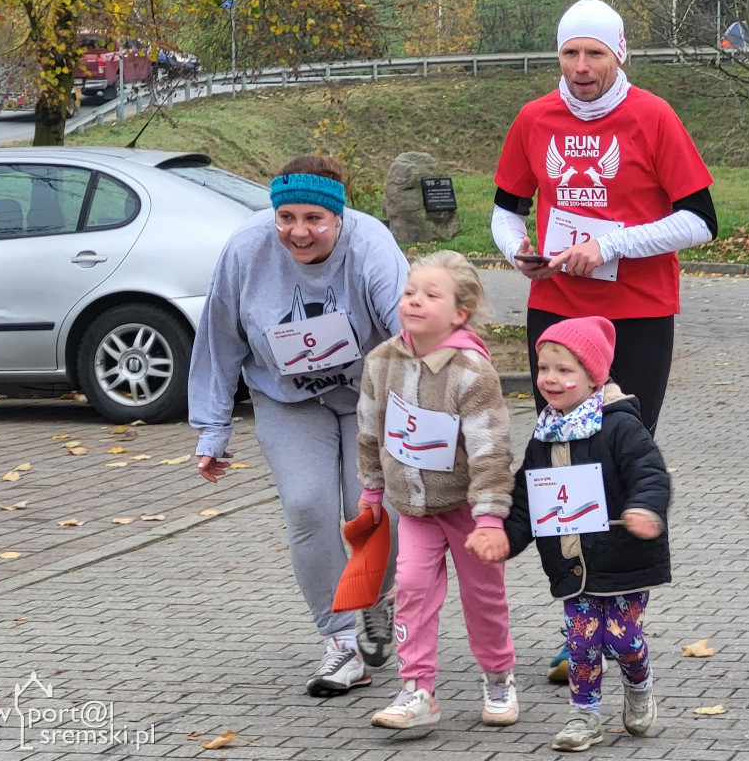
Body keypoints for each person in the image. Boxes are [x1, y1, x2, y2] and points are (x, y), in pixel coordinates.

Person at [489, 0, 713, 682]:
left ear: (620, 55)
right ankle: (577, 622)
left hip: (638, 315)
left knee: (616, 458)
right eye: (570, 53)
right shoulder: (535, 118)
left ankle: (625, 612)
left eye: (595, 53)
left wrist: (610, 244)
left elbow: (699, 221)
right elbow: (505, 209)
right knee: (564, 465)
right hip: (556, 308)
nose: (582, 67)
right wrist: (516, 251)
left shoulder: (652, 115)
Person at [188, 155, 409, 697]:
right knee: (307, 505)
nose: (299, 232)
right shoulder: (246, 250)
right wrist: (212, 430)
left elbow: (413, 330)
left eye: (314, 219)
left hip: (369, 398)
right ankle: (340, 641)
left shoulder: (372, 247)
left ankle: (378, 599)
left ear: (339, 217)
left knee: (373, 510)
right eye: (286, 217)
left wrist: (440, 412)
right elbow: (218, 339)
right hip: (286, 400)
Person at [468, 316, 671, 752]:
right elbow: (527, 499)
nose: (550, 379)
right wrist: (507, 537)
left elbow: (650, 473)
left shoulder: (620, 425)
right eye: (544, 368)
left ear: (594, 377)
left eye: (564, 370)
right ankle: (585, 716)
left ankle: (639, 685)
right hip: (572, 562)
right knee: (581, 643)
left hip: (624, 558)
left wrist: (644, 508)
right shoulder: (544, 435)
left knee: (621, 640)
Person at [356, 250, 519, 730]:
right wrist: (371, 491)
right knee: (409, 588)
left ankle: (498, 675)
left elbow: (492, 450)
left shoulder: (472, 372)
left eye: (431, 295)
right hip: (413, 508)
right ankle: (417, 689)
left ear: (460, 313)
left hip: (469, 511)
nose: (415, 301)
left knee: (483, 597)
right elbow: (369, 430)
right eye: (409, 292)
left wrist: (490, 518)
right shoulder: (380, 361)